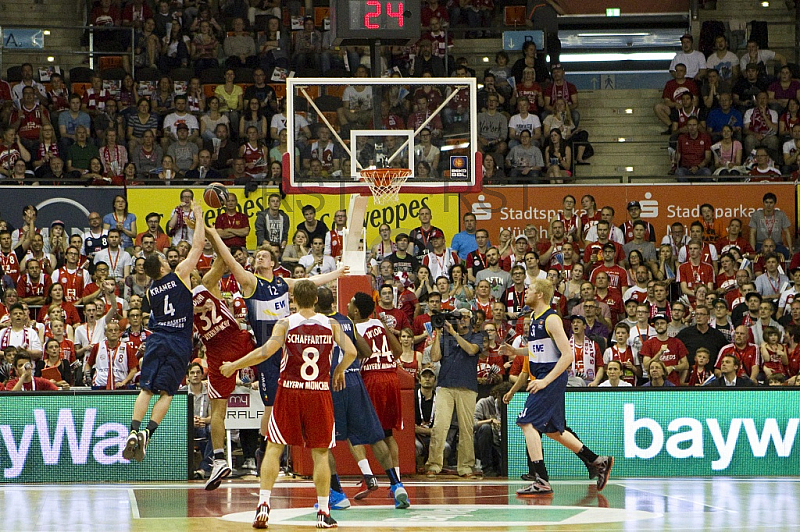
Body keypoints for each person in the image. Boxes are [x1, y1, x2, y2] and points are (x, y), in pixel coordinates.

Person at [219, 279, 357, 529]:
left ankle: (263, 503)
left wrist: (233, 366)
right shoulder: (331, 324)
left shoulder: (285, 323)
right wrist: (339, 371)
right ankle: (324, 511)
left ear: (293, 300)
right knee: (321, 453)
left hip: (290, 390)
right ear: (316, 299)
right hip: (318, 391)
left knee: (274, 447)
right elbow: (352, 352)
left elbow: (263, 353)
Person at [501, 278, 612, 494]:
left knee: (527, 423)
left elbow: (568, 356)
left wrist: (544, 381)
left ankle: (541, 479)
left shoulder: (551, 319)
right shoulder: (534, 317)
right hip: (545, 375)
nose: (526, 292)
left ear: (540, 294)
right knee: (554, 431)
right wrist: (516, 352)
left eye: (530, 289)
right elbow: (538, 351)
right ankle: (597, 461)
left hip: (550, 376)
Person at [123, 200, 204, 463]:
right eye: (162, 257)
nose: (166, 256)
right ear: (161, 268)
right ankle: (148, 432)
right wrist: (200, 218)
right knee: (167, 393)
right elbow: (199, 247)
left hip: (157, 338)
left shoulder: (150, 290)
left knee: (145, 390)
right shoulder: (180, 274)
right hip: (179, 342)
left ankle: (134, 432)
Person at [320, 288, 410, 509]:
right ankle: (397, 484)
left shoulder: (318, 323)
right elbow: (366, 351)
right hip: (357, 381)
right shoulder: (348, 323)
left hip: (333, 382)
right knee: (377, 436)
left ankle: (338, 495)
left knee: (324, 443)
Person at [425, 308, 486, 478]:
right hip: (445, 385)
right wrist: (438, 334)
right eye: (459, 317)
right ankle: (434, 464)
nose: (463, 320)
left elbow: (471, 350)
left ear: (471, 320)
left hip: (467, 387)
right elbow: (435, 357)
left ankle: (465, 467)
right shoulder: (445, 337)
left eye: (466, 317)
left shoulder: (477, 336)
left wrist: (454, 333)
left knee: (466, 428)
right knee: (439, 426)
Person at [640, 314, 689, 385]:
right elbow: (646, 366)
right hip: (655, 385)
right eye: (657, 323)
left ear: (668, 325)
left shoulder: (677, 342)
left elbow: (685, 365)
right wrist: (660, 353)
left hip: (673, 384)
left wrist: (672, 367)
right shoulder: (648, 343)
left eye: (662, 323)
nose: (659, 325)